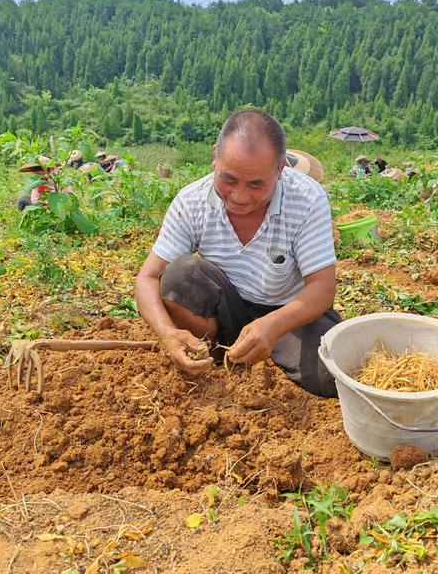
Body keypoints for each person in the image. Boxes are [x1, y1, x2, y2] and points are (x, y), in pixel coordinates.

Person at [135, 109, 340, 397]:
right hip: (225, 309)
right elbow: (148, 277)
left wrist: (270, 327)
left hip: (286, 316)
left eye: (256, 184)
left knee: (331, 372)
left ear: (280, 169)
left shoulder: (306, 200)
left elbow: (321, 288)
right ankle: (214, 353)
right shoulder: (192, 202)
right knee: (181, 275)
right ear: (215, 158)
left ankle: (266, 355)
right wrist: (167, 334)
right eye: (228, 180)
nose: (240, 196)